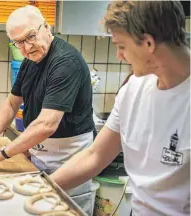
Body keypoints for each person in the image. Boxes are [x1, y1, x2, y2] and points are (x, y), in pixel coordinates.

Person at [50, 1, 190, 216]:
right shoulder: (133, 88)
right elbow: (95, 156)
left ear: (148, 43)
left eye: (121, 46)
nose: (119, 56)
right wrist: (43, 189)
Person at [0, 5, 96, 215]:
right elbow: (12, 103)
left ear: (46, 28)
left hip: (69, 162)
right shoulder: (30, 61)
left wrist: (2, 153)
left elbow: (47, 124)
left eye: (30, 37)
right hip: (41, 158)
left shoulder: (65, 63)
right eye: (18, 42)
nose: (26, 47)